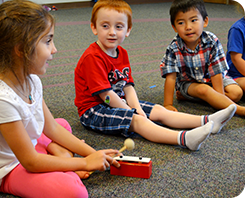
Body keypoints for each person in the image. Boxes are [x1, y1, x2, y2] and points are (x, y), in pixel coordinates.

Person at [0, 1, 120, 197]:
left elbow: (52, 128)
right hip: (10, 168)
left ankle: (58, 155)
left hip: (27, 149)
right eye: (48, 41)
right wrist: (84, 162)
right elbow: (29, 161)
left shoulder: (32, 80)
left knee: (61, 125)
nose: (54, 49)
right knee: (74, 191)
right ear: (21, 49)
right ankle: (60, 161)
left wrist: (93, 153)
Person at [74, 0, 237, 153]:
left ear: (128, 30)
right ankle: (184, 139)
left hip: (117, 100)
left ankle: (207, 121)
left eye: (118, 26)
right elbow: (106, 96)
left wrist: (136, 107)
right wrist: (133, 112)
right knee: (138, 120)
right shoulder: (92, 58)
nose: (112, 32)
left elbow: (128, 87)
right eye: (105, 26)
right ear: (94, 28)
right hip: (94, 110)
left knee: (158, 110)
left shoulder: (121, 53)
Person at [160, 0, 245, 117]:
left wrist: (219, 96)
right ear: (174, 27)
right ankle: (239, 110)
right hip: (189, 83)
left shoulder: (212, 41)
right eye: (181, 23)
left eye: (193, 20)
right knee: (204, 90)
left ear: (205, 21)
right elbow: (170, 78)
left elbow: (216, 72)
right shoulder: (174, 47)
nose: (188, 27)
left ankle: (201, 99)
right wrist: (167, 104)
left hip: (212, 79)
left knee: (236, 93)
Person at [226, 0, 245, 97]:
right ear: (242, 4)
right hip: (237, 75)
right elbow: (236, 59)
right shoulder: (238, 29)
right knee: (236, 94)